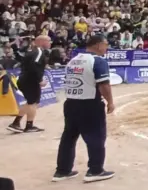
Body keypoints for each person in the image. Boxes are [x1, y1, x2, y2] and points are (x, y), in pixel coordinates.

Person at [53, 35, 116, 183]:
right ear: (98, 45)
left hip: (71, 103)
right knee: (96, 137)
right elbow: (104, 85)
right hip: (89, 104)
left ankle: (62, 170)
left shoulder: (73, 60)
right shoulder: (98, 61)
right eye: (106, 45)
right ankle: (95, 170)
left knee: (68, 137)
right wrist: (110, 102)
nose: (107, 48)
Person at [7, 35, 51, 133]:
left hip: (25, 79)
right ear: (41, 41)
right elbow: (34, 66)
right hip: (30, 80)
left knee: (30, 102)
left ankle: (16, 123)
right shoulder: (38, 52)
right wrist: (40, 80)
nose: (50, 43)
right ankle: (28, 126)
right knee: (33, 103)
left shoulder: (32, 52)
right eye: (48, 41)